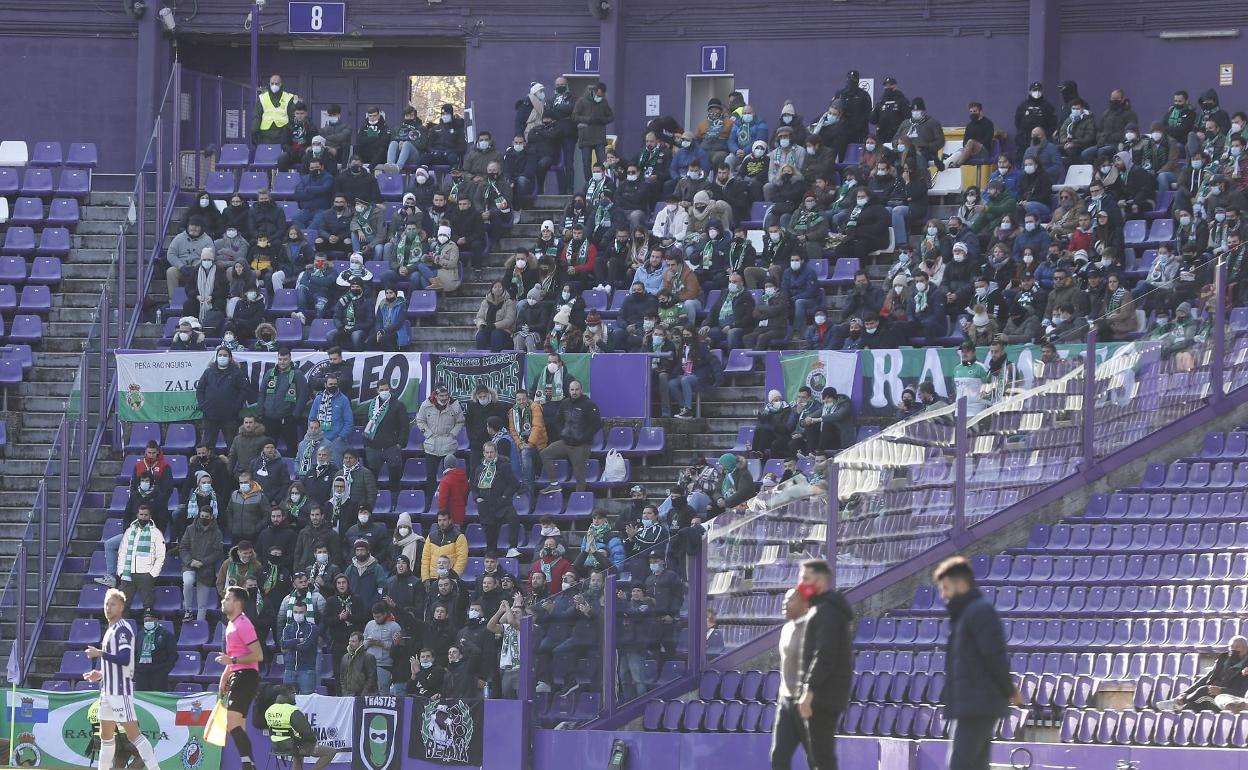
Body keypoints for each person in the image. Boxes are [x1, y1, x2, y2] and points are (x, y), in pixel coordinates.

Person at [935, 556, 1021, 770]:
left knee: (959, 765)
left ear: (962, 584)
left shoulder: (979, 611)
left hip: (977, 705)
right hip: (972, 703)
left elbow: (994, 655)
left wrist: (1009, 689)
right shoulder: (967, 613)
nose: (942, 595)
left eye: (946, 588)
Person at [83, 589, 163, 770]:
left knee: (133, 735)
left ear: (121, 607)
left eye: (113, 604)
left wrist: (99, 653)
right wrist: (100, 674)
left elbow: (125, 658)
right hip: (107, 691)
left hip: (120, 691)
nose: (108, 607)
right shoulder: (110, 629)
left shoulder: (122, 629)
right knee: (106, 736)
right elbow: (116, 664)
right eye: (106, 604)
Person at [216, 586, 265, 770]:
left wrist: (232, 661)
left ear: (237, 603)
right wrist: (224, 676)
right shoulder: (231, 623)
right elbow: (233, 656)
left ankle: (248, 764)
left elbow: (258, 655)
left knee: (233, 724)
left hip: (246, 676)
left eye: (227, 599)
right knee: (238, 727)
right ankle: (248, 764)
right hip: (238, 675)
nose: (223, 601)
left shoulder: (243, 624)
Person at [769, 588, 813, 770]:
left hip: (810, 705)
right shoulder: (786, 629)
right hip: (786, 702)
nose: (785, 603)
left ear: (805, 605)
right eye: (785, 600)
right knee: (778, 755)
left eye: (790, 600)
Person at [539, 380, 603, 494]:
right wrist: (562, 433)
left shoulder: (589, 404)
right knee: (544, 454)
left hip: (581, 446)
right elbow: (557, 420)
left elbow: (597, 424)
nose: (574, 392)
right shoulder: (565, 403)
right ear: (569, 390)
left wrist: (583, 437)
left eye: (577, 389)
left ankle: (579, 503)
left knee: (579, 476)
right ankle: (554, 484)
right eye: (572, 390)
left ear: (581, 390)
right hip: (565, 443)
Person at [1157, 636, 1248, 712]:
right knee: (1190, 707)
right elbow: (1206, 678)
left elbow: (1243, 692)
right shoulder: (1223, 660)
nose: (1233, 649)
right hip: (1211, 696)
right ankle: (1179, 706)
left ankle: (1178, 703)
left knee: (1204, 691)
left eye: (1237, 647)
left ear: (1246, 649)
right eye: (1231, 647)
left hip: (1230, 702)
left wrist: (1222, 691)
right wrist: (1185, 693)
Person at [264, 686, 337, 770]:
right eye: (294, 693)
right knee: (331, 751)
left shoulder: (269, 710)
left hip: (276, 746)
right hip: (293, 746)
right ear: (288, 694)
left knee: (298, 747)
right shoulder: (291, 710)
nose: (295, 696)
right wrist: (313, 742)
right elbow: (307, 731)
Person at [196, 347, 255, 447]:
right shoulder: (208, 372)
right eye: (220, 355)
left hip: (230, 417)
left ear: (230, 358)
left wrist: (236, 406)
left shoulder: (237, 373)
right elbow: (200, 390)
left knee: (232, 445)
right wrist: (203, 405)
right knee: (208, 445)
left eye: (225, 355)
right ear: (216, 357)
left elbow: (244, 390)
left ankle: (231, 463)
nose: (222, 357)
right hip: (210, 415)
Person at [362, 378, 409, 501]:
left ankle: (394, 503)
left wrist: (400, 444)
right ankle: (371, 504)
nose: (384, 391)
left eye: (386, 389)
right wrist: (366, 444)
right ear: (377, 390)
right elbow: (365, 425)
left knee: (394, 478)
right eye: (382, 390)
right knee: (371, 480)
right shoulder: (371, 406)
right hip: (373, 447)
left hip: (391, 447)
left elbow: (404, 426)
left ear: (390, 389)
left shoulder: (398, 405)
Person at [472, 441, 521, 556]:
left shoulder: (504, 465)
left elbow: (513, 483)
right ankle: (491, 559)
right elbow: (474, 487)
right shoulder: (479, 468)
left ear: (496, 453)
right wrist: (477, 498)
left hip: (503, 504)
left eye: (492, 452)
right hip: (486, 506)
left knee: (513, 518)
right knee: (491, 537)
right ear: (483, 453)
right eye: (487, 452)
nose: (489, 455)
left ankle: (512, 547)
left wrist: (504, 497)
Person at [117, 505, 165, 614]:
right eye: (141, 514)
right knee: (123, 608)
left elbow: (161, 556)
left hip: (146, 575)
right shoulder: (129, 531)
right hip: (127, 573)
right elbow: (122, 552)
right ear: (137, 515)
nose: (143, 517)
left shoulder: (156, 533)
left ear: (150, 516)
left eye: (146, 515)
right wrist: (121, 572)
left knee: (148, 609)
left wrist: (152, 574)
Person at [179, 504, 223, 622]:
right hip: (190, 565)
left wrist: (202, 562)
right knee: (187, 582)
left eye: (206, 516)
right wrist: (190, 561)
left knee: (202, 604)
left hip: (206, 569)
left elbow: (217, 552)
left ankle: (199, 627)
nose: (203, 518)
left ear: (211, 517)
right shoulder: (190, 529)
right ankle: (188, 611)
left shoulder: (217, 533)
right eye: (202, 516)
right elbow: (183, 548)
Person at [507, 388, 546, 499]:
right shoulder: (512, 412)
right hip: (523, 445)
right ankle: (527, 491)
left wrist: (529, 444)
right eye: (518, 399)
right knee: (520, 452)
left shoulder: (535, 407)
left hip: (538, 445)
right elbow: (513, 430)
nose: (521, 401)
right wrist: (520, 444)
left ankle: (526, 487)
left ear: (527, 398)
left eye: (523, 399)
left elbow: (537, 427)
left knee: (525, 453)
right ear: (515, 400)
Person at [307, 374, 353, 466]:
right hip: (319, 439)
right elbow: (312, 419)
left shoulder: (343, 399)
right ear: (325, 385)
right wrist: (314, 435)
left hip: (337, 440)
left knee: (336, 466)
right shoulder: (318, 398)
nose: (333, 386)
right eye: (330, 384)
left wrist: (340, 437)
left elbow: (349, 422)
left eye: (335, 384)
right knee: (316, 465)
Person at [279, 595, 321, 694]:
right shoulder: (287, 628)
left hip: (306, 670)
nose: (298, 614)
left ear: (306, 612)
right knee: (286, 700)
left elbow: (305, 646)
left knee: (307, 701)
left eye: (301, 612)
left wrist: (291, 643)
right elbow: (283, 644)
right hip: (289, 669)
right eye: (296, 612)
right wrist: (299, 640)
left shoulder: (312, 628)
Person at [573, 82, 614, 181]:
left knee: (602, 161)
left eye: (602, 96)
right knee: (586, 162)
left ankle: (605, 181)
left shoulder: (603, 102)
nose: (600, 97)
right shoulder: (582, 101)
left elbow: (611, 116)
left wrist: (602, 120)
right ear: (594, 92)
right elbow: (574, 116)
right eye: (599, 95)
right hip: (585, 137)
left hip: (599, 136)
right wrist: (588, 119)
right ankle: (589, 182)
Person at [363, 601, 403, 693]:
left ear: (385, 614)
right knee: (368, 690)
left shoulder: (394, 626)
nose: (376, 619)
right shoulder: (370, 624)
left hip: (385, 664)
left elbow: (398, 646)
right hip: (369, 662)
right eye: (374, 617)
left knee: (383, 689)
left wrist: (382, 644)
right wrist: (369, 642)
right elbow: (363, 643)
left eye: (378, 617)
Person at [133, 608, 175, 692]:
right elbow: (135, 653)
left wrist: (165, 671)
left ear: (156, 620)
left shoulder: (165, 634)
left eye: (150, 620)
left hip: (158, 674)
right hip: (141, 674)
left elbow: (173, 654)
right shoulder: (139, 635)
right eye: (146, 620)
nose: (148, 622)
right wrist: (136, 670)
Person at [422, 508, 469, 581]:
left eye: (444, 520)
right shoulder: (431, 536)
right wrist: (425, 578)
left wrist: (454, 575)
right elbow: (425, 558)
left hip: (450, 578)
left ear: (450, 520)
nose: (441, 523)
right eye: (439, 520)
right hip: (433, 578)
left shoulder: (459, 537)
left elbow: (462, 558)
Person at [340, 631, 379, 696]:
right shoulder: (345, 657)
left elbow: (371, 679)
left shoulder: (369, 657)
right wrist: (344, 692)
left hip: (363, 696)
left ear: (361, 642)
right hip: (348, 696)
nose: (350, 643)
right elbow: (342, 677)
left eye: (353, 641)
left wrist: (362, 695)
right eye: (350, 641)